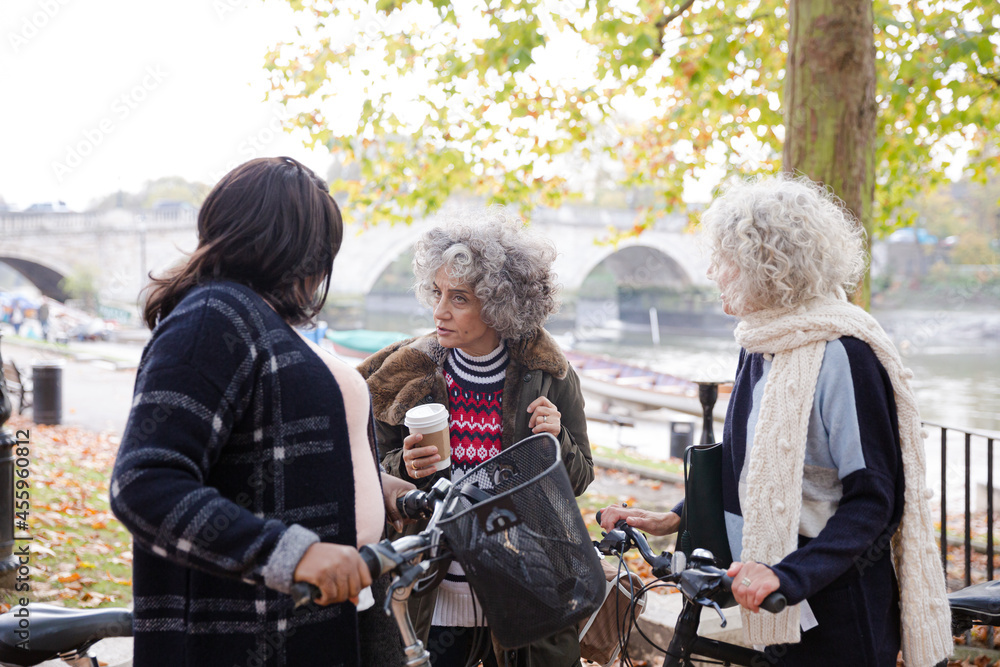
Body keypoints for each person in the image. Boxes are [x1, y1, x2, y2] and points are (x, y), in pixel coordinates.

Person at [599, 175, 952, 667]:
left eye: (725, 260)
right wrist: (676, 515)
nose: (711, 271)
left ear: (766, 266)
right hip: (774, 583)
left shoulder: (844, 354)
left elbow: (874, 499)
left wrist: (790, 577)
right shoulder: (762, 344)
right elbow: (746, 464)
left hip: (837, 598)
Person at [109, 157, 412, 667]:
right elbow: (144, 483)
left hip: (324, 621)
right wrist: (293, 554)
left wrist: (382, 493)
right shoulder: (212, 318)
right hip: (244, 637)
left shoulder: (265, 322)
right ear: (296, 249)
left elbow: (266, 460)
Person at [358, 206, 594, 667]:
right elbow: (363, 470)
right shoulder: (406, 373)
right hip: (434, 593)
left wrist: (556, 439)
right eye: (438, 292)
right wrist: (401, 469)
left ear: (500, 303)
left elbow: (580, 479)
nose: (439, 311)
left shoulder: (548, 373)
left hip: (526, 590)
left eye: (460, 298)